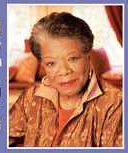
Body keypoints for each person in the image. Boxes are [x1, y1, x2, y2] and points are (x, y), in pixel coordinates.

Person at [9, 12, 122, 147]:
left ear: (88, 57)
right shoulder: (32, 96)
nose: (63, 71)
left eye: (72, 58)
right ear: (43, 65)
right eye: (51, 63)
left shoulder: (114, 104)